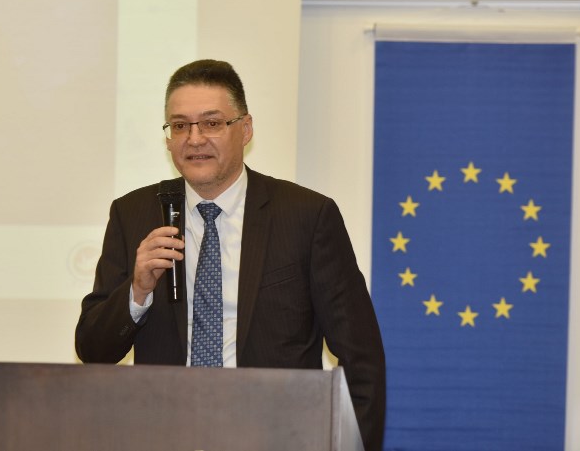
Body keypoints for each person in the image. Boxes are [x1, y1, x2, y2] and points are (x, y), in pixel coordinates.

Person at [75, 59, 386, 450]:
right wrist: (137, 291)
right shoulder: (133, 214)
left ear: (246, 129)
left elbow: (362, 358)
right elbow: (93, 350)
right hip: (165, 436)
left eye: (211, 123)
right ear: (168, 138)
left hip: (278, 438)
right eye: (180, 126)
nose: (194, 139)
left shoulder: (306, 216)